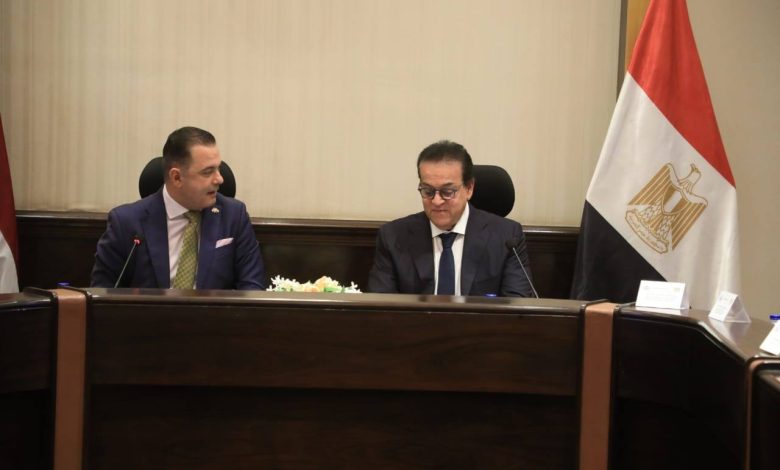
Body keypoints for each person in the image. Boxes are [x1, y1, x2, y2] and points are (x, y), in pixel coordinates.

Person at [91, 126, 266, 290]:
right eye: (207, 172)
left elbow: (252, 288)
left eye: (218, 169)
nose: (219, 179)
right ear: (176, 178)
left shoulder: (234, 216)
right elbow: (103, 294)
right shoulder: (126, 222)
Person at [367, 140, 534, 297]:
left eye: (447, 192)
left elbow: (517, 307)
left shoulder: (506, 237)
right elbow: (381, 307)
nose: (436, 201)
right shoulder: (394, 237)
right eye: (427, 191)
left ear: (469, 188)